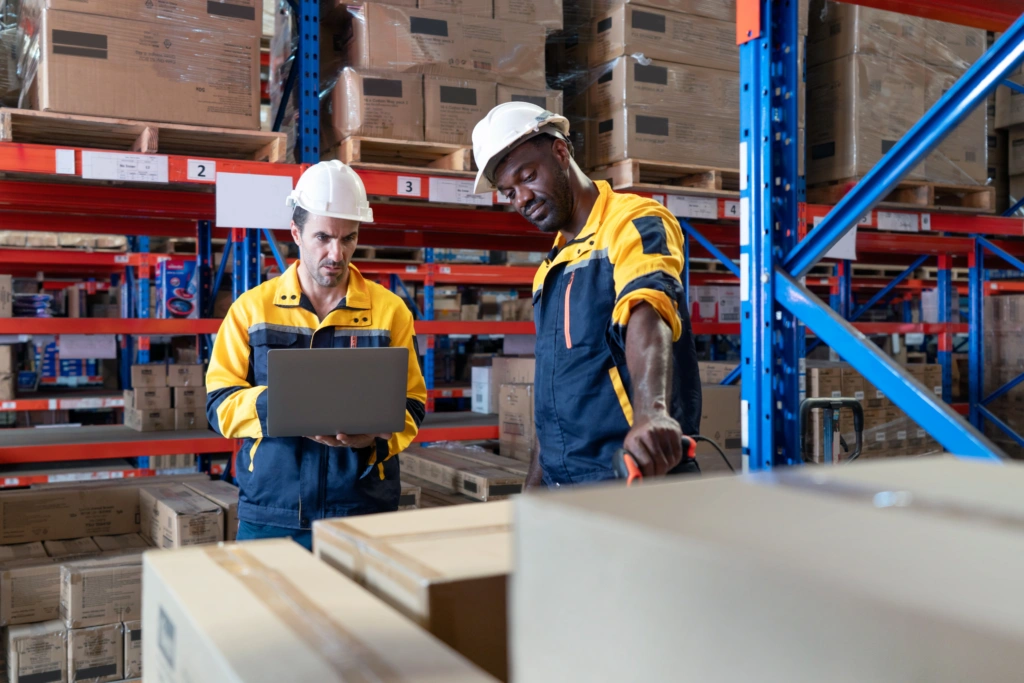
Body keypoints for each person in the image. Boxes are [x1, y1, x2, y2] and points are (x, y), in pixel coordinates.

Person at [472, 102, 702, 488]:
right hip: (565, 484)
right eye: (509, 193)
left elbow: (647, 309)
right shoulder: (548, 273)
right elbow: (553, 393)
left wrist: (652, 414)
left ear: (561, 152)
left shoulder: (633, 221)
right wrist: (534, 485)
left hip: (632, 474)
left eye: (528, 177)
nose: (522, 198)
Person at [205, 160, 427, 548]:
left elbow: (413, 405)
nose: (336, 253)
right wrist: (286, 407)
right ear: (296, 232)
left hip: (363, 507)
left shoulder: (390, 311)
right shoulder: (251, 309)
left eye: (348, 238)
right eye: (322, 237)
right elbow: (219, 404)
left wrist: (372, 442)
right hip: (273, 509)